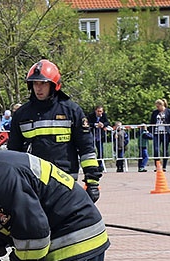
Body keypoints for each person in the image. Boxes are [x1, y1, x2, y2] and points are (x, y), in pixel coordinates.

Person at [8, 60, 102, 202]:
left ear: (53, 85)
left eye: (43, 83)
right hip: (33, 182)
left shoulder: (71, 111)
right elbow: (13, 153)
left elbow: (86, 148)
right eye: (35, 84)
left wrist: (92, 183)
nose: (38, 88)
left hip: (65, 181)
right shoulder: (21, 115)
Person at [149, 98, 170, 171]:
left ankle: (164, 166)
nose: (157, 108)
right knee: (156, 150)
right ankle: (157, 166)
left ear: (161, 105)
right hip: (156, 133)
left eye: (158, 106)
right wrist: (150, 132)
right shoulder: (155, 112)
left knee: (165, 150)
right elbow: (152, 122)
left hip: (165, 133)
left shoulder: (169, 112)